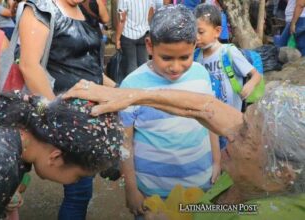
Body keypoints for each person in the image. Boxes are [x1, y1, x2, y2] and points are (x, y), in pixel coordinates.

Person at [64, 78, 305, 219]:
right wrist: (128, 96)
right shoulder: (258, 172)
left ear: (281, 174)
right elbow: (206, 108)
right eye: (242, 123)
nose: (229, 134)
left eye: (245, 136)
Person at [118, 5, 219, 219]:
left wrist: (217, 162)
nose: (175, 67)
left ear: (194, 46)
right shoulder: (132, 85)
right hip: (152, 192)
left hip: (200, 184)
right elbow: (124, 143)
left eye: (184, 58)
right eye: (166, 58)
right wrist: (131, 188)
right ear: (149, 46)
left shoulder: (201, 75)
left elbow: (211, 121)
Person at [18, 0, 116, 219]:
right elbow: (29, 67)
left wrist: (118, 90)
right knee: (78, 192)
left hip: (87, 114)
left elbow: (86, 65)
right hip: (62, 117)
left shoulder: (85, 9)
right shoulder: (41, 9)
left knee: (80, 189)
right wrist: (60, 119)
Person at [194, 3, 262, 112]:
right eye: (194, 32)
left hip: (231, 118)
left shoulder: (229, 52)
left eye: (201, 32)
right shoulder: (195, 56)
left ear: (217, 31)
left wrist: (250, 85)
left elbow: (256, 75)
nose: (196, 37)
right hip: (208, 115)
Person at [116, 0, 155, 81]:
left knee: (131, 65)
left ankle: (132, 88)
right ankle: (144, 86)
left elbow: (121, 20)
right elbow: (151, 14)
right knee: (143, 64)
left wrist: (117, 39)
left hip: (128, 34)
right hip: (143, 32)